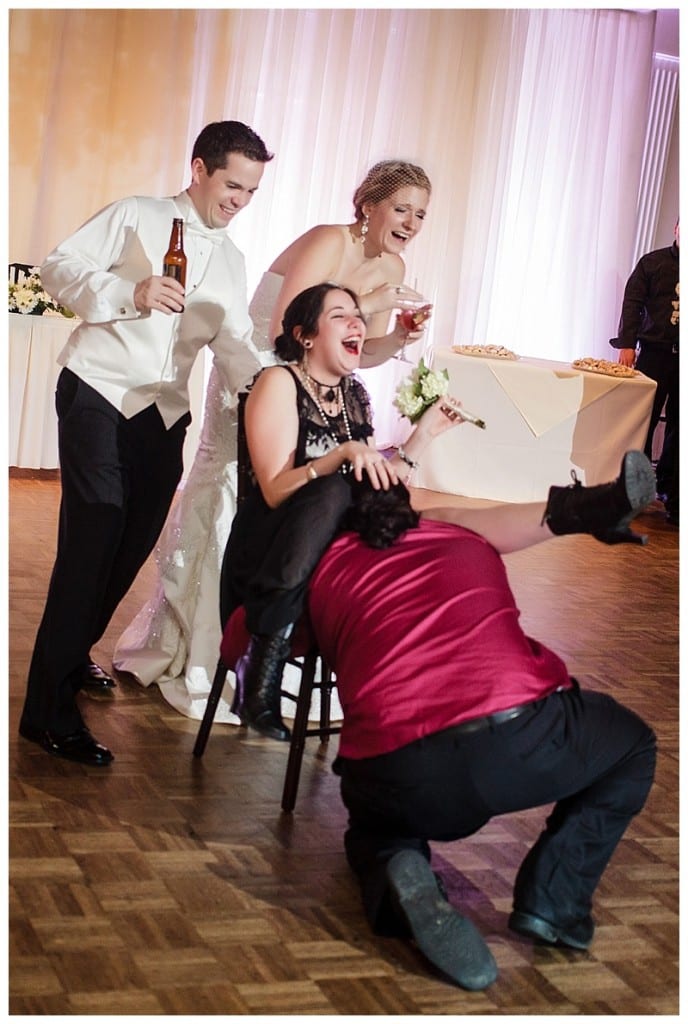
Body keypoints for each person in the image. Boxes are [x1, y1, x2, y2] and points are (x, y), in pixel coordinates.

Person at [306, 466, 657, 991]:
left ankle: (399, 862)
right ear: (409, 505)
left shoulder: (322, 568)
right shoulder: (460, 532)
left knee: (374, 826)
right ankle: (553, 905)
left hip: (392, 766)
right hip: (511, 744)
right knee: (632, 746)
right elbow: (535, 517)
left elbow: (246, 646)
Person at [113, 160, 434, 721]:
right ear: (368, 205)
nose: (411, 222)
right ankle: (203, 648)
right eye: (402, 208)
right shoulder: (327, 240)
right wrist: (372, 304)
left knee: (294, 504)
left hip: (316, 389)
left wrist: (397, 336)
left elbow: (357, 354)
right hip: (257, 373)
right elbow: (289, 326)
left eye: (421, 214)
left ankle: (268, 640)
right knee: (236, 488)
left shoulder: (396, 264)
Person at [19, 120, 274, 766]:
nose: (240, 201)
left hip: (164, 417)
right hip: (98, 393)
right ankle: (45, 713)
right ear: (199, 169)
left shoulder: (233, 261)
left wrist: (281, 389)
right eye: (233, 185)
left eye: (251, 191)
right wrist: (126, 292)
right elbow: (58, 267)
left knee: (130, 551)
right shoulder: (135, 214)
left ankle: (72, 654)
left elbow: (238, 348)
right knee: (94, 538)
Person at [222, 282, 470, 742]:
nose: (357, 322)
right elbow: (274, 491)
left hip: (328, 562)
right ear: (306, 335)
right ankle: (262, 665)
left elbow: (379, 482)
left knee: (398, 516)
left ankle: (422, 695)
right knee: (335, 490)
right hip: (267, 556)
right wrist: (338, 458)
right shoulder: (278, 382)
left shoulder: (355, 395)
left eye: (358, 314)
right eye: (340, 315)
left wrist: (423, 435)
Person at [611, 219, 679, 525]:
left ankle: (673, 495)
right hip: (654, 353)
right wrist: (627, 343)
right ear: (677, 229)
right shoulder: (653, 263)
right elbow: (633, 303)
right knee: (644, 423)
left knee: (680, 430)